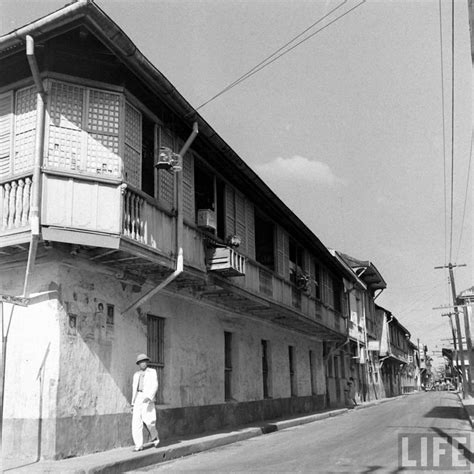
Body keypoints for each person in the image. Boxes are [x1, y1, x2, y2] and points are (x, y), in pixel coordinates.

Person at [131, 353, 160, 451]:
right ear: (138, 364)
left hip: (147, 396)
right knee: (136, 422)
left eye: (144, 361)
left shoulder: (152, 372)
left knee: (149, 419)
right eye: (140, 362)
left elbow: (155, 385)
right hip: (138, 397)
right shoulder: (136, 375)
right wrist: (133, 403)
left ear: (147, 362)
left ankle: (155, 437)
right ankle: (138, 445)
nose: (143, 364)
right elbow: (134, 389)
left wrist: (149, 396)